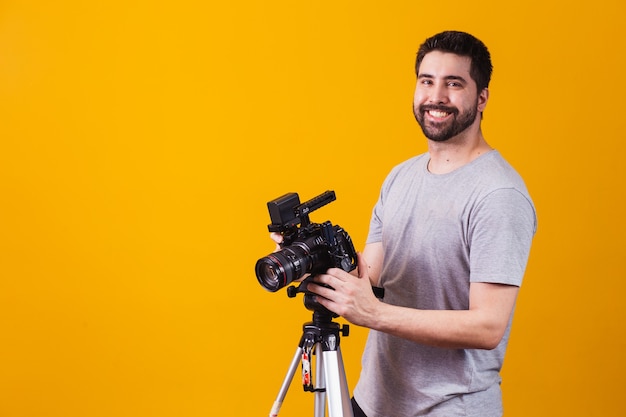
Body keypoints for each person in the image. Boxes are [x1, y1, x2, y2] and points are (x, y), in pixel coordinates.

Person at [304, 30, 537, 416]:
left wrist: (374, 314)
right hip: (374, 400)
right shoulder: (400, 176)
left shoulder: (499, 194)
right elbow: (374, 275)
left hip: (447, 407)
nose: (436, 97)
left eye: (454, 84)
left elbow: (487, 327)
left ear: (482, 98)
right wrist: (310, 252)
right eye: (427, 81)